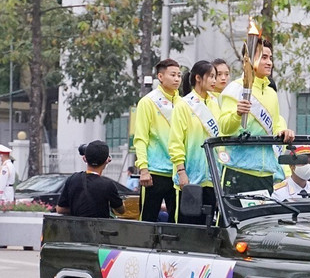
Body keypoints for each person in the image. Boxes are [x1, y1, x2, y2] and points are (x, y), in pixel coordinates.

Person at [218, 37, 294, 194]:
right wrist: (237, 114)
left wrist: (283, 132)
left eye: (270, 58)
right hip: (238, 170)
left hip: (266, 173)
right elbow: (224, 127)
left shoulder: (271, 93)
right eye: (263, 57)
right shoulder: (234, 89)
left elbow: (275, 124)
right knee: (232, 219)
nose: (269, 62)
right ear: (250, 59)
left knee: (262, 219)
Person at [169, 60, 221, 225]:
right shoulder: (183, 105)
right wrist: (181, 171)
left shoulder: (215, 103)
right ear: (198, 78)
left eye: (215, 76)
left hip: (212, 179)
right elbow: (175, 142)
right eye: (211, 76)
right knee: (187, 227)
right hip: (190, 179)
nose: (214, 81)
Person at [134, 58, 182, 222]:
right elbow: (140, 138)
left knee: (177, 221)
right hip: (154, 172)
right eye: (173, 75)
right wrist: (143, 169)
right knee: (147, 220)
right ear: (160, 77)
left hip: (177, 173)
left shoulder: (183, 104)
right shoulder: (148, 102)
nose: (177, 79)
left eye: (179, 75)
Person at [57, 141, 125, 218]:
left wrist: (77, 208)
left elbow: (60, 209)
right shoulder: (108, 185)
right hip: (100, 229)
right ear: (107, 160)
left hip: (75, 228)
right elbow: (121, 210)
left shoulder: (72, 179)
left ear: (84, 159)